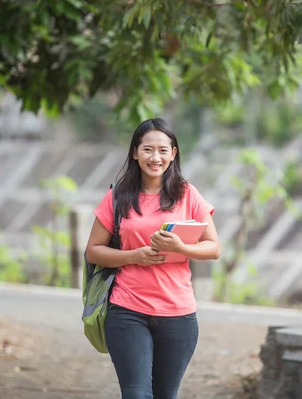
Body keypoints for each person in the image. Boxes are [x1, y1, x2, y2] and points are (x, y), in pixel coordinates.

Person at [85, 118, 221, 399]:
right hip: (127, 310)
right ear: (135, 152)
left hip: (178, 314)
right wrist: (133, 256)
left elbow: (214, 248)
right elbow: (93, 250)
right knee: (136, 394)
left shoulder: (187, 195)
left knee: (165, 395)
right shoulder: (117, 197)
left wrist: (181, 248)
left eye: (162, 150)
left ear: (173, 154)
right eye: (147, 149)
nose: (155, 157)